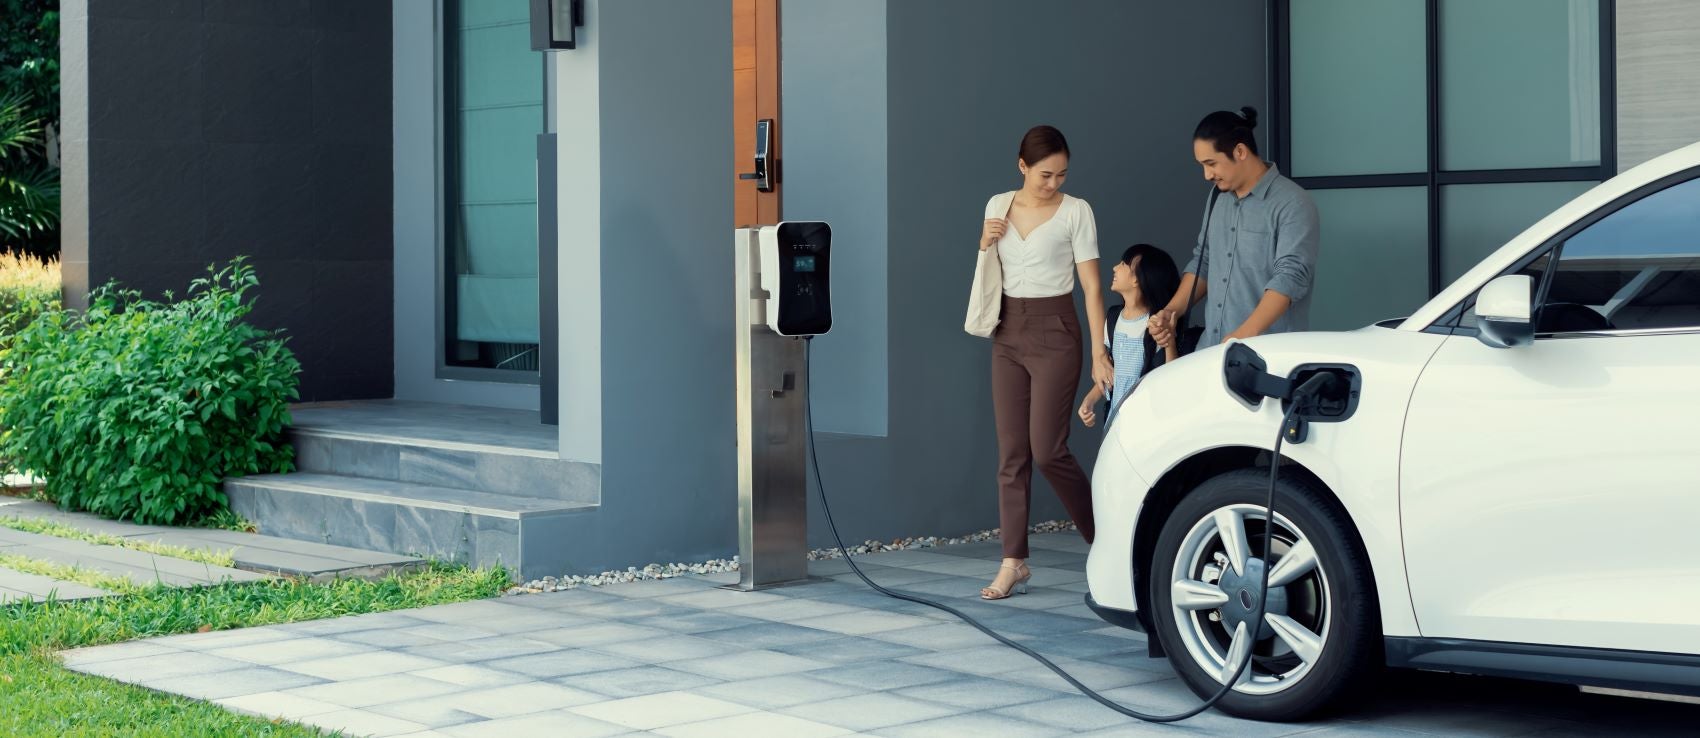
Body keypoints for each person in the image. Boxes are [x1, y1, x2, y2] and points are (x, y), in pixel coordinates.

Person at [978, 125, 1110, 600]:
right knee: (1012, 452)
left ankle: (1107, 539)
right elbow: (990, 270)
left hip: (1057, 330)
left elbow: (1091, 287)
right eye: (1045, 175)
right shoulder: (997, 206)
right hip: (1008, 331)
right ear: (1023, 167)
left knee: (1048, 450)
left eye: (1061, 175)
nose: (1054, 183)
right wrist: (984, 242)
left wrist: (1099, 351)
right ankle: (1013, 561)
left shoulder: (1077, 211)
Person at [1149, 107, 1319, 350]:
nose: (1207, 175)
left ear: (1240, 151)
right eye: (1202, 165)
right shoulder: (1217, 197)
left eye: (1211, 164)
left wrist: (1243, 335)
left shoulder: (1293, 203)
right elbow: (1204, 261)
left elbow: (1291, 277)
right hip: (1211, 350)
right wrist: (1171, 311)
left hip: (1268, 356)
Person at [1077, 244, 1182, 430]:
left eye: (1123, 264)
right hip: (1115, 421)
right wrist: (1089, 400)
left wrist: (1169, 341)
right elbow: (1113, 373)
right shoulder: (1113, 319)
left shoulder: (1155, 323)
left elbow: (1171, 375)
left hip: (1146, 422)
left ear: (1137, 280)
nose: (1115, 267)